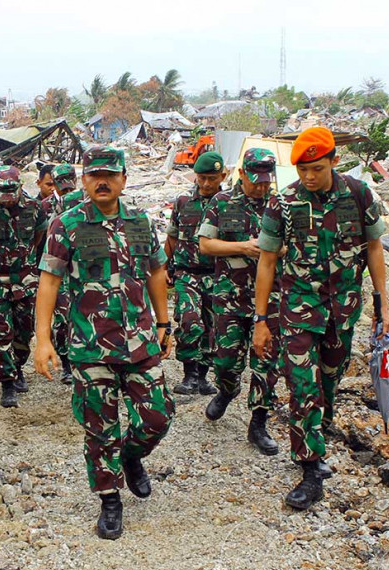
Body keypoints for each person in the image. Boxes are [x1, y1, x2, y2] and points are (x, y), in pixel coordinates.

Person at [34, 146, 175, 540]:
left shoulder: (141, 221)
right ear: (84, 180)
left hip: (140, 341)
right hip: (90, 345)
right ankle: (109, 499)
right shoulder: (66, 224)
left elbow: (156, 272)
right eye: (95, 175)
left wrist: (164, 322)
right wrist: (42, 339)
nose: (102, 182)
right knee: (100, 428)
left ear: (123, 180)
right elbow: (49, 281)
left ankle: (131, 456)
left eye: (110, 175)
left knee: (158, 416)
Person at [253, 127, 389, 510]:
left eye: (316, 168)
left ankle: (320, 430)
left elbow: (374, 248)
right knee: (302, 386)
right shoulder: (283, 202)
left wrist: (382, 303)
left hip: (342, 310)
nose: (309, 176)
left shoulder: (359, 194)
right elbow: (267, 261)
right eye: (302, 169)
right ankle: (310, 467)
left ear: (334, 161)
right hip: (298, 310)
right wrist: (261, 319)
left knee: (329, 380)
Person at [198, 149, 282, 455]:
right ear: (242, 174)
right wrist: (243, 247)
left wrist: (275, 250)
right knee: (224, 360)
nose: (261, 187)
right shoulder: (221, 203)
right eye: (255, 181)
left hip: (270, 299)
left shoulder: (280, 205)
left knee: (266, 362)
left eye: (266, 181)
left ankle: (258, 423)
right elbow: (206, 244)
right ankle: (227, 389)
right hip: (229, 298)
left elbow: (295, 246)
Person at [0, 166, 48, 408]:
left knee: (24, 332)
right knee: (1, 334)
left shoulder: (35, 208)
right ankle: (7, 383)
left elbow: (38, 239)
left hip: (25, 281)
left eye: (12, 190)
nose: (7, 196)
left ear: (21, 187)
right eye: (2, 191)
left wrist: (24, 260)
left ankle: (18, 366)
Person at [165, 151, 225, 396]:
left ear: (223, 176)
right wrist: (164, 266)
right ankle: (189, 374)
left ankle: (202, 376)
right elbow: (172, 236)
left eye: (212, 178)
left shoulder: (228, 204)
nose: (207, 184)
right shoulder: (183, 202)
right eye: (202, 178)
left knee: (212, 326)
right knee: (189, 321)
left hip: (217, 274)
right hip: (186, 273)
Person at [41, 163, 82, 384]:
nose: (66, 188)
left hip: (79, 267)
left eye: (69, 183)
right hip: (56, 268)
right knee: (62, 317)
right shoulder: (45, 207)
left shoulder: (85, 201)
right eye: (61, 184)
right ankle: (66, 363)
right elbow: (38, 238)